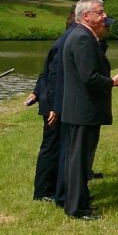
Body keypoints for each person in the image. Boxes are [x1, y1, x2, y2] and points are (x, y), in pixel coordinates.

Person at [61, 0, 118, 219]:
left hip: (82, 109)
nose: (104, 16)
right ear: (86, 16)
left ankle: (76, 201)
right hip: (83, 110)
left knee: (79, 159)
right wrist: (112, 82)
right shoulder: (82, 38)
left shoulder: (85, 36)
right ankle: (77, 209)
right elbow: (89, 78)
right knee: (79, 161)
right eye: (100, 12)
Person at [27, 12, 76, 204]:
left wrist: (36, 92)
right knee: (51, 146)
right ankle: (43, 191)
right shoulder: (64, 44)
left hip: (53, 100)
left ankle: (53, 187)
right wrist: (54, 107)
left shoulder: (62, 42)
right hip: (53, 103)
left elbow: (45, 73)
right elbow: (53, 76)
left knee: (56, 145)